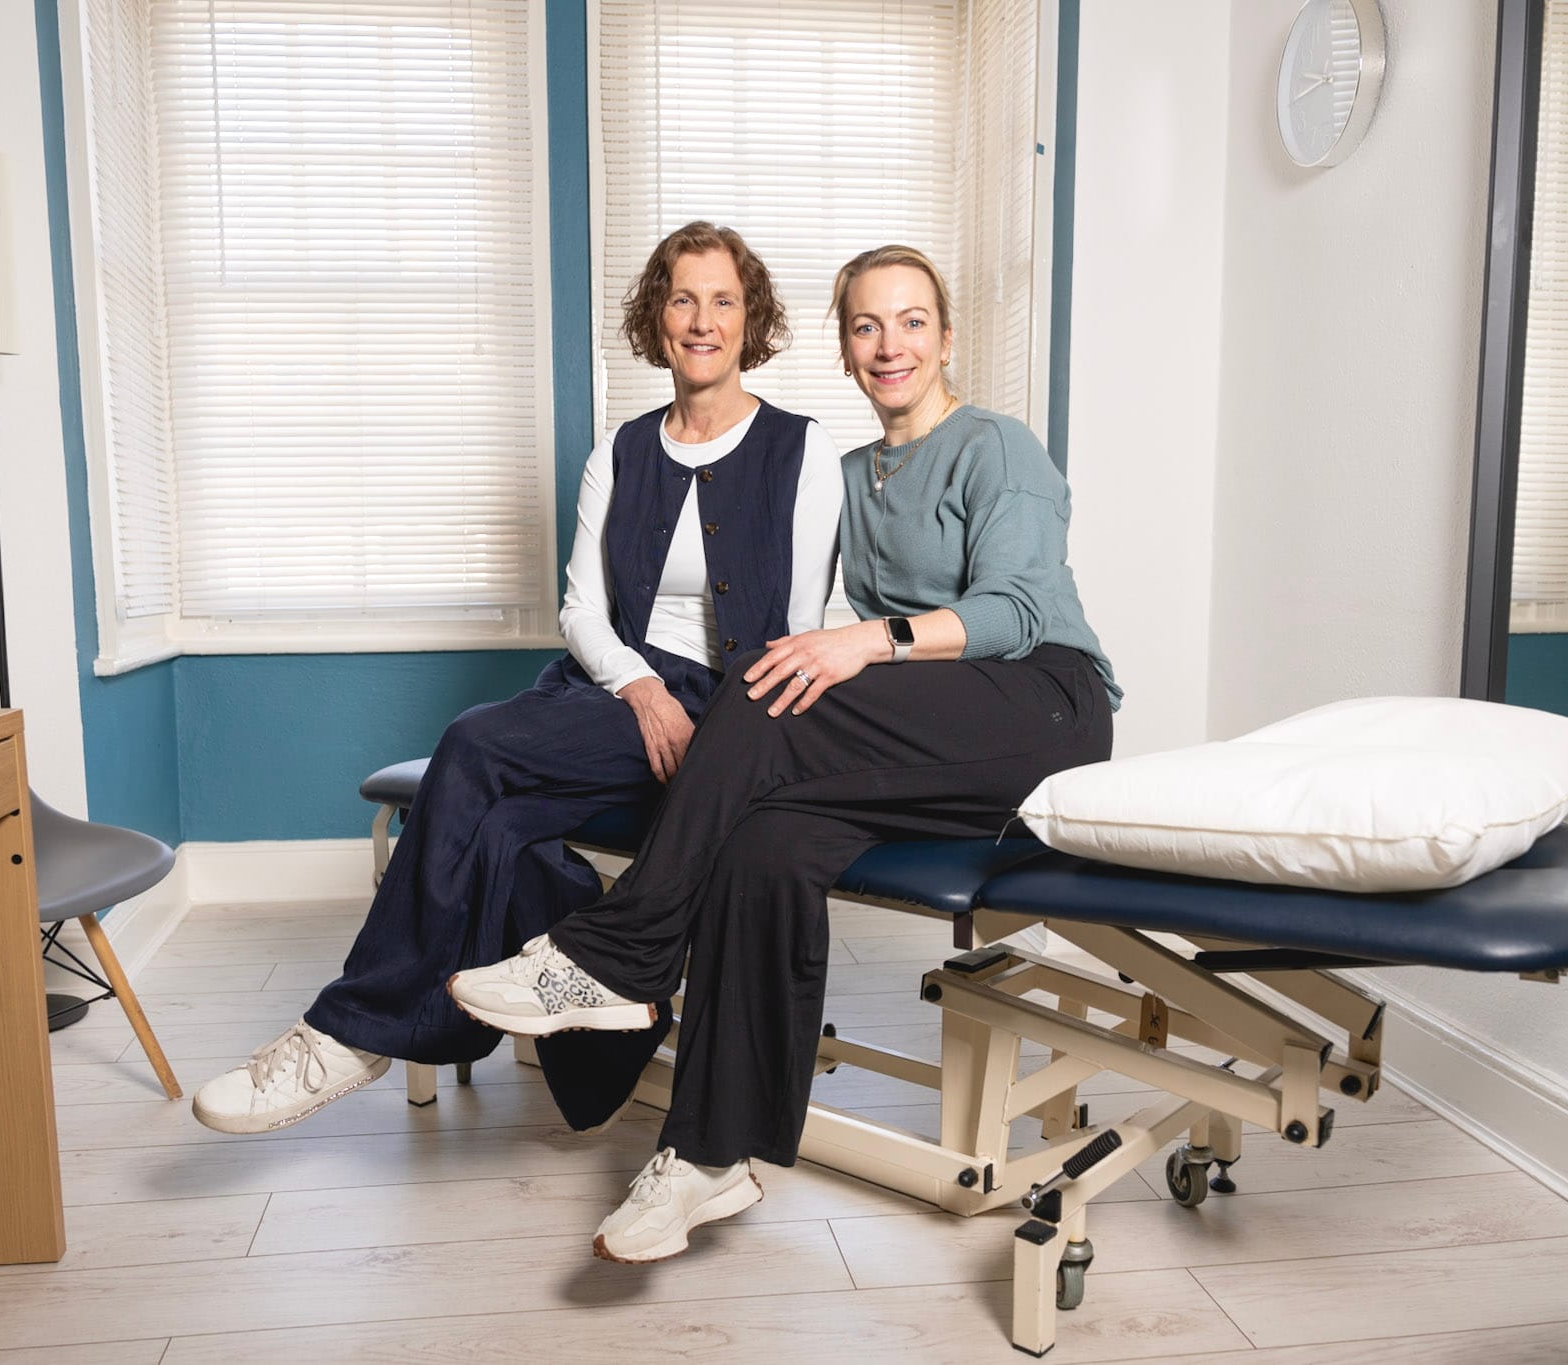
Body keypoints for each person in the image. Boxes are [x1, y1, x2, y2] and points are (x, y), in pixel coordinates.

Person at [448, 244, 1121, 1263]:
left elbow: (1016, 607)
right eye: (864, 325)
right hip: (929, 732)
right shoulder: (847, 475)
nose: (888, 344)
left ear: (946, 338)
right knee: (763, 843)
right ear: (845, 350)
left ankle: (617, 955)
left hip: (1042, 703)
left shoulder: (995, 446)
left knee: (766, 691)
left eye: (909, 321)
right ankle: (712, 1157)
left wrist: (865, 641)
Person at [192, 223, 843, 1134]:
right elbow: (581, 610)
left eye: (724, 300)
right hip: (612, 690)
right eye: (683, 298)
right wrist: (638, 687)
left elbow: (801, 632)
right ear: (657, 320)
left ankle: (353, 1031)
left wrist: (725, 736)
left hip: (722, 706)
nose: (703, 320)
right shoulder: (617, 453)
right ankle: (597, 1032)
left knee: (473, 757)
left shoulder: (802, 450)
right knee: (497, 821)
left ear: (752, 319)